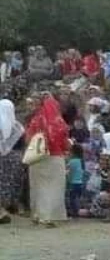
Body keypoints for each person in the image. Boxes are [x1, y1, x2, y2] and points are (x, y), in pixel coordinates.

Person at [24, 95, 71, 227]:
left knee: (39, 187)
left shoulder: (35, 121)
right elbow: (65, 144)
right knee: (54, 188)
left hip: (37, 158)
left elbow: (28, 140)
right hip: (55, 157)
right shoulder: (60, 123)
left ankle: (38, 215)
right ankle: (51, 216)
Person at [66, 144, 86, 218]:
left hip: (73, 183)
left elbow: (68, 172)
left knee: (72, 199)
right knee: (78, 198)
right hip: (81, 182)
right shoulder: (82, 161)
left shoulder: (72, 162)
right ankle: (79, 211)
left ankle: (75, 213)